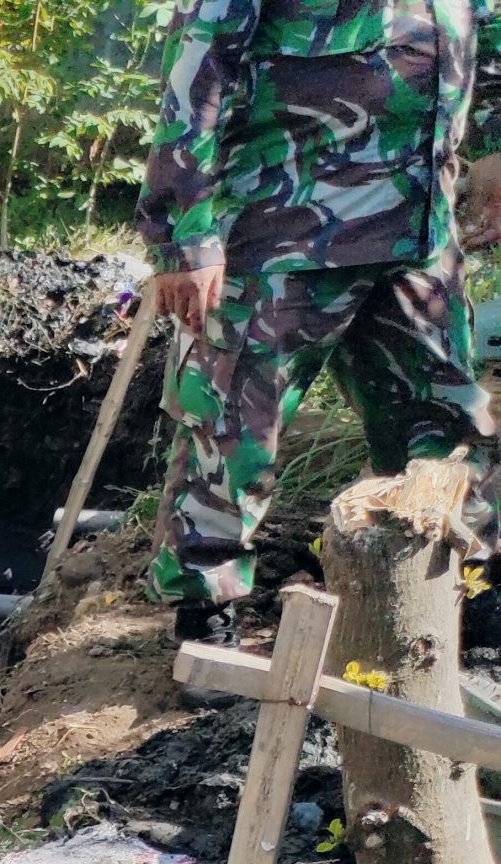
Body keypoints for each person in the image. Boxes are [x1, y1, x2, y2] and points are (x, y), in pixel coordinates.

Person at [140, 0, 501, 640]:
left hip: (419, 235)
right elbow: (198, 60)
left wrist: (497, 149)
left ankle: (449, 592)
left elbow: (489, 33)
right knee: (233, 432)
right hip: (281, 233)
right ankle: (210, 609)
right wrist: (183, 235)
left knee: (447, 423)